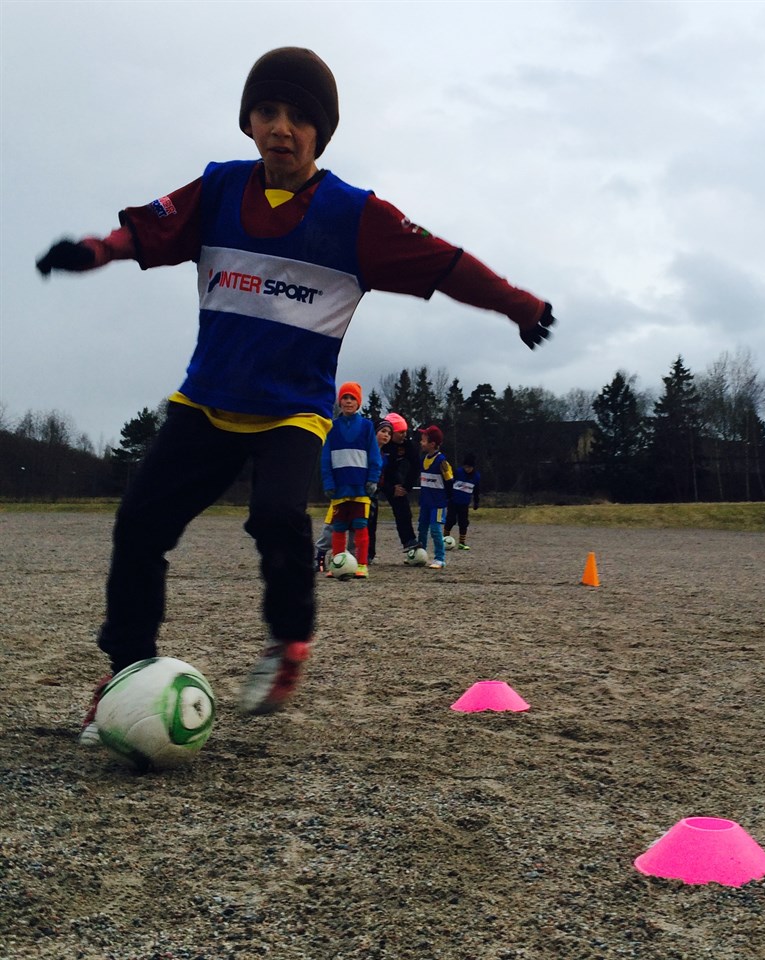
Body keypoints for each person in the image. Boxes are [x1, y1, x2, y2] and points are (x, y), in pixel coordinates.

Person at [35, 46, 556, 733]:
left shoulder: (354, 216)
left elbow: (445, 263)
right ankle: (127, 669)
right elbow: (147, 231)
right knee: (138, 524)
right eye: (267, 111)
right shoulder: (219, 190)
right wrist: (96, 251)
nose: (281, 127)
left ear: (322, 131)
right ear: (248, 121)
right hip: (207, 401)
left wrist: (518, 304)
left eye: (299, 117)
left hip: (292, 411)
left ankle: (288, 643)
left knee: (278, 516)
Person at [319, 382, 382, 579]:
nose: (348, 401)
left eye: (352, 398)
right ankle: (337, 564)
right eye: (345, 398)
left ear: (358, 402)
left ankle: (362, 564)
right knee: (338, 527)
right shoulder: (331, 427)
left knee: (360, 525)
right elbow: (325, 459)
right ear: (340, 401)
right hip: (339, 487)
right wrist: (328, 483)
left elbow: (374, 456)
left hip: (360, 487)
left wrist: (372, 479)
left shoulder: (367, 427)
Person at [378, 412, 421, 554]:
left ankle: (409, 540)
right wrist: (390, 489)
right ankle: (368, 553)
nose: (404, 435)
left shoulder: (406, 444)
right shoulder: (380, 443)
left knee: (403, 508)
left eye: (405, 432)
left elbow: (416, 465)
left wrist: (406, 487)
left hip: (392, 475)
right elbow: (376, 473)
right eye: (400, 432)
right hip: (374, 476)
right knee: (370, 514)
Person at [416, 425, 453, 569]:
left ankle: (440, 558)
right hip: (425, 502)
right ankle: (421, 555)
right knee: (422, 528)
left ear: (432, 444)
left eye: (423, 440)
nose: (421, 443)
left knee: (435, 530)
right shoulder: (423, 459)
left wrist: (448, 499)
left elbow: (449, 481)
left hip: (437, 503)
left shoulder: (442, 462)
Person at [367, 419, 393, 563]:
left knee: (372, 523)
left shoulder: (385, 457)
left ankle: (370, 553)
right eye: (383, 431)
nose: (386, 435)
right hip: (362, 490)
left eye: (389, 433)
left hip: (375, 492)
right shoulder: (366, 451)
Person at [445, 453, 481, 550]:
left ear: (473, 467)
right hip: (453, 501)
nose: (467, 469)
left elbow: (476, 490)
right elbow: (449, 483)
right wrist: (448, 496)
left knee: (463, 522)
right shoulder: (458, 472)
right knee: (450, 520)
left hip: (464, 503)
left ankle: (462, 542)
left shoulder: (476, 477)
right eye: (466, 467)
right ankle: (444, 539)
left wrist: (476, 502)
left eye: (469, 467)